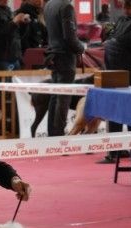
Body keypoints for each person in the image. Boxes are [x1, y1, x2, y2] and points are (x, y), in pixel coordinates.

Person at [101, 0, 131, 162]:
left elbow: (111, 39)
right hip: (124, 67)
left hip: (114, 64)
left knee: (117, 107)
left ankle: (117, 150)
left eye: (127, 6)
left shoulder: (123, 20)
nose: (125, 9)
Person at [43, 0, 84, 136]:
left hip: (53, 55)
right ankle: (59, 133)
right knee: (63, 97)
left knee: (55, 96)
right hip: (65, 57)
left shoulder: (49, 5)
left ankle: (52, 132)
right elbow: (69, 37)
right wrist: (81, 48)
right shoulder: (66, 6)